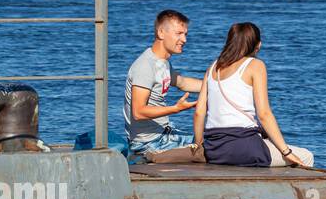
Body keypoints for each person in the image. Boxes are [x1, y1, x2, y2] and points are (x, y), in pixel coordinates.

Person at [193, 22, 313, 168]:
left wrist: (199, 146)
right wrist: (286, 152)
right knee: (306, 156)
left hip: (215, 149)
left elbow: (199, 112)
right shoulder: (255, 65)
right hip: (245, 147)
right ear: (258, 44)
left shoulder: (213, 67)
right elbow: (264, 114)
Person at [124, 10, 203, 155]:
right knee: (207, 149)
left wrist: (216, 84)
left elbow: (183, 83)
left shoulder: (162, 63)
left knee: (209, 141)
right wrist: (176, 108)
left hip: (164, 135)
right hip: (147, 144)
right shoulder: (145, 65)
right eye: (179, 33)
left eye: (185, 34)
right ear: (161, 33)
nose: (184, 39)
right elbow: (138, 112)